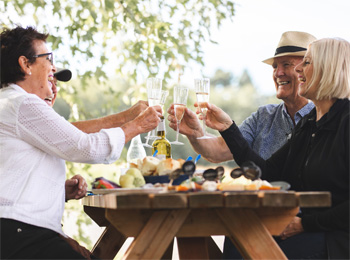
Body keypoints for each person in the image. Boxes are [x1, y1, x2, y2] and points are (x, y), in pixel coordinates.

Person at [0, 26, 162, 259]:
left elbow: (18, 170)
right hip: (22, 233)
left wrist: (56, 190)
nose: (54, 69)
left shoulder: (11, 103)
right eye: (49, 59)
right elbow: (84, 146)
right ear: (26, 64)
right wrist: (136, 126)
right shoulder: (22, 103)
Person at [203, 37, 350, 259]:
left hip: (336, 240)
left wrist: (305, 224)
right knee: (236, 241)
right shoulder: (310, 123)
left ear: (328, 70)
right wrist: (228, 128)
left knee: (244, 253)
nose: (299, 68)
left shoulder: (346, 121)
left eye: (306, 63)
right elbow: (267, 172)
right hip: (309, 229)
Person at [167, 31, 316, 161]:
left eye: (287, 64)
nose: (277, 73)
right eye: (275, 67)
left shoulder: (325, 118)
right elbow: (219, 150)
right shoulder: (263, 116)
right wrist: (195, 133)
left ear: (309, 69)